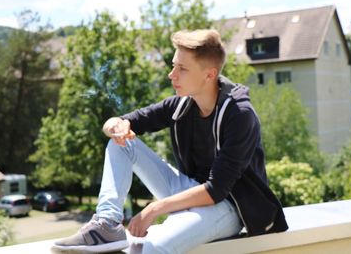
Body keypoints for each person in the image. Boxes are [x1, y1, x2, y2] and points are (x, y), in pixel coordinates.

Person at [52, 29, 288, 254]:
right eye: (174, 65)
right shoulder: (181, 105)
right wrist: (115, 125)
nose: (171, 74)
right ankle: (106, 224)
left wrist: (154, 209)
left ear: (210, 74)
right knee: (121, 142)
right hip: (189, 190)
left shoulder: (239, 114)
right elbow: (123, 121)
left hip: (229, 206)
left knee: (151, 248)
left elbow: (216, 190)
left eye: (182, 68)